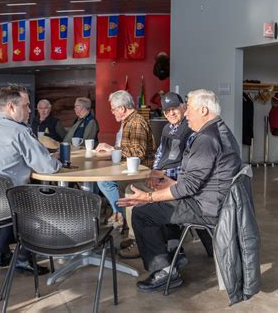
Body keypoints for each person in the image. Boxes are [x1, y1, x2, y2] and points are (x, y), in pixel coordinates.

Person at [117, 89, 241, 292]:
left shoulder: (206, 139)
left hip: (205, 207)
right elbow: (197, 178)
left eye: (189, 108)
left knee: (142, 213)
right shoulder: (219, 130)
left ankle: (164, 271)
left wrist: (149, 197)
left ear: (202, 110)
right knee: (156, 203)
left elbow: (189, 187)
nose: (185, 114)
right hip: (214, 201)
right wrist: (169, 183)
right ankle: (174, 250)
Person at [0, 85, 62, 274]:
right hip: (6, 205)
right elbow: (48, 168)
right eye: (26, 106)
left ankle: (1, 254)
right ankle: (23, 258)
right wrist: (58, 157)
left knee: (12, 194)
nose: (29, 111)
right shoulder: (19, 132)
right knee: (46, 198)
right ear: (11, 106)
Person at [119, 92, 193, 259]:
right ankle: (137, 235)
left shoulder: (190, 128)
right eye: (167, 111)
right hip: (162, 177)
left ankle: (140, 241)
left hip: (175, 182)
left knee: (133, 193)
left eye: (174, 108)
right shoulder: (168, 128)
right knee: (126, 186)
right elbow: (160, 153)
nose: (171, 113)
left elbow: (189, 164)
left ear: (184, 107)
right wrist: (154, 172)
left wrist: (164, 175)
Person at [95, 90, 155, 228]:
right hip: (132, 169)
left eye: (113, 109)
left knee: (104, 181)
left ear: (122, 108)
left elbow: (138, 153)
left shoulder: (136, 122)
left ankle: (123, 217)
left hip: (141, 172)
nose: (112, 112)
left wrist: (112, 150)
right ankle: (123, 216)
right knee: (105, 180)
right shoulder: (130, 121)